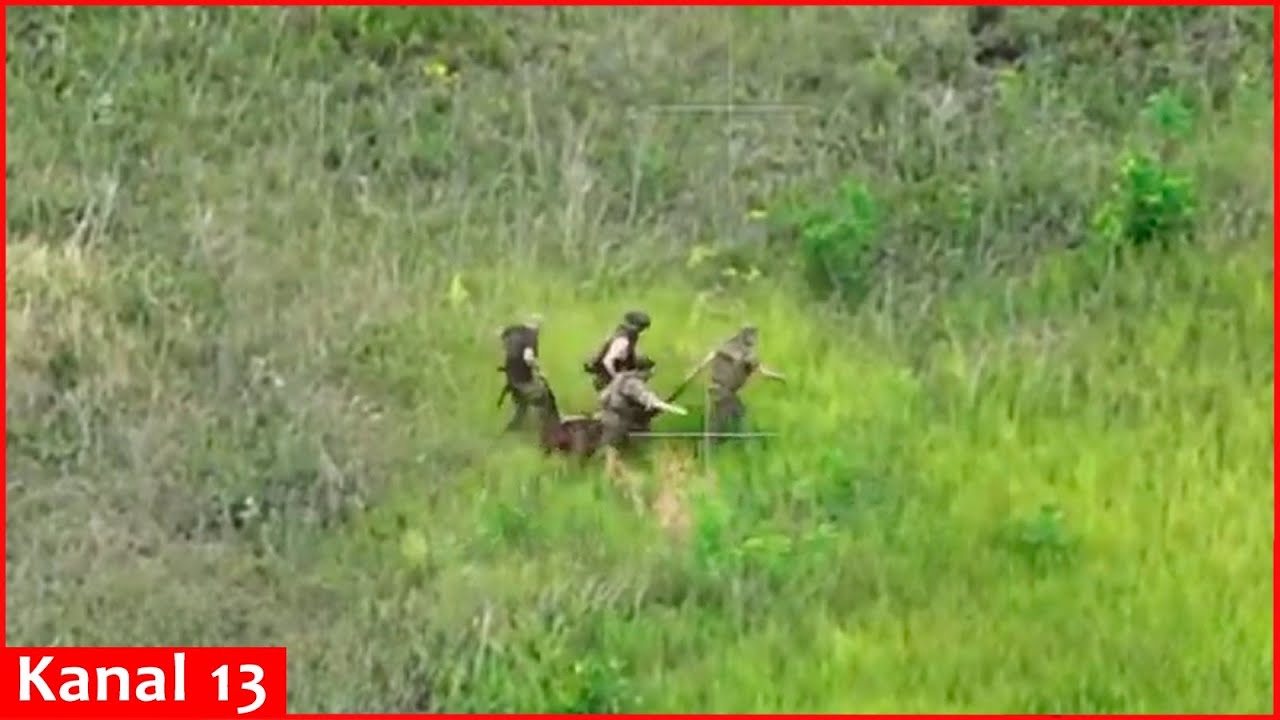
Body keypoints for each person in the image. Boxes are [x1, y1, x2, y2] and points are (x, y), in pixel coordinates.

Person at [674, 324, 784, 436]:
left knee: (731, 416)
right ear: (746, 336)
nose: (755, 339)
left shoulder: (728, 349)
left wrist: (777, 377)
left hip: (721, 390)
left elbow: (705, 362)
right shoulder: (742, 352)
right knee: (729, 418)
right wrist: (779, 377)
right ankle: (727, 442)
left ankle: (722, 442)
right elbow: (761, 370)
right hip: (723, 391)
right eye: (753, 336)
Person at [597, 365, 687, 478]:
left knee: (613, 456)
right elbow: (645, 397)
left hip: (609, 424)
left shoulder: (618, 380)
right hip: (624, 426)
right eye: (648, 372)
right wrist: (656, 403)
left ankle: (611, 482)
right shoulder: (633, 383)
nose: (649, 376)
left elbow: (603, 397)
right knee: (633, 458)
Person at [496, 314, 550, 432]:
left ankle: (512, 431)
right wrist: (540, 371)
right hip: (522, 380)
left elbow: (498, 333)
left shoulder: (513, 330)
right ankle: (548, 432)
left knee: (522, 405)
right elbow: (528, 358)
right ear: (537, 326)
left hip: (510, 379)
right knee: (545, 399)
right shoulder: (531, 336)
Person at [584, 310, 652, 391]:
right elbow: (607, 361)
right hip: (607, 380)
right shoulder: (623, 340)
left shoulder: (624, 336)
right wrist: (617, 379)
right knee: (644, 372)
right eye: (642, 328)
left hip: (612, 375)